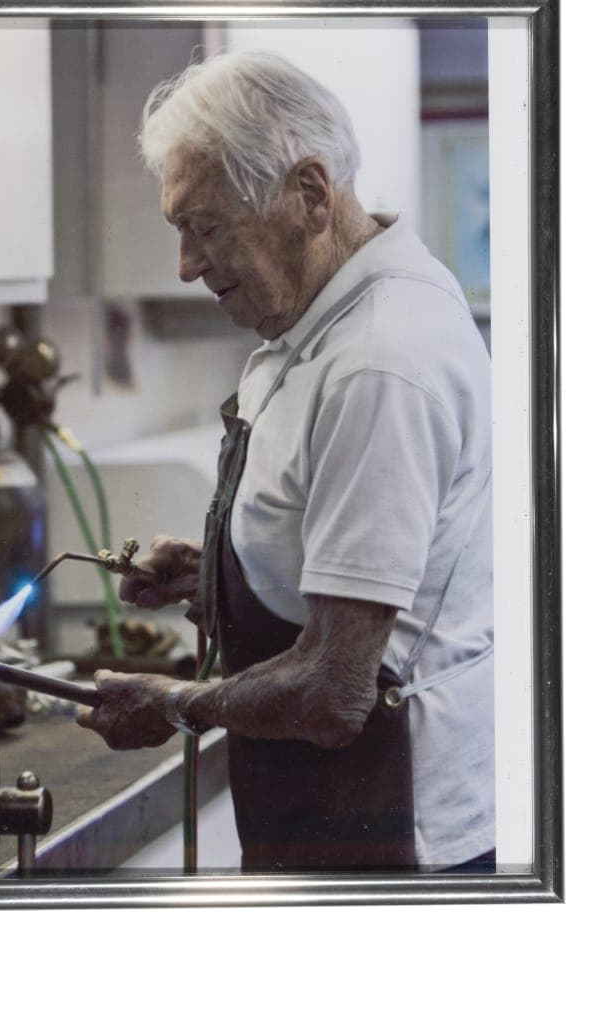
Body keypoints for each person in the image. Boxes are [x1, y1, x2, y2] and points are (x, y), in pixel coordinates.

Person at [77, 50, 495, 873]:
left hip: (391, 832)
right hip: (324, 810)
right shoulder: (322, 316)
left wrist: (173, 707)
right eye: (179, 231)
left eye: (208, 226)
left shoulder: (379, 361)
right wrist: (219, 572)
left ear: (310, 194)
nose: (188, 265)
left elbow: (337, 693)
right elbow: (344, 539)